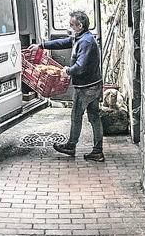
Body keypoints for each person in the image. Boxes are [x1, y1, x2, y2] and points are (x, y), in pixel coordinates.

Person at [29, 10, 104, 162]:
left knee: (76, 116)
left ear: (80, 25)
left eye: (71, 25)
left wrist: (67, 71)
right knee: (94, 117)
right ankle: (97, 151)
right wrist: (42, 45)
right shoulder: (80, 37)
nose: (68, 27)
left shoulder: (86, 42)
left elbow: (80, 66)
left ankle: (71, 146)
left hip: (86, 88)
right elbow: (62, 42)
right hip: (94, 85)